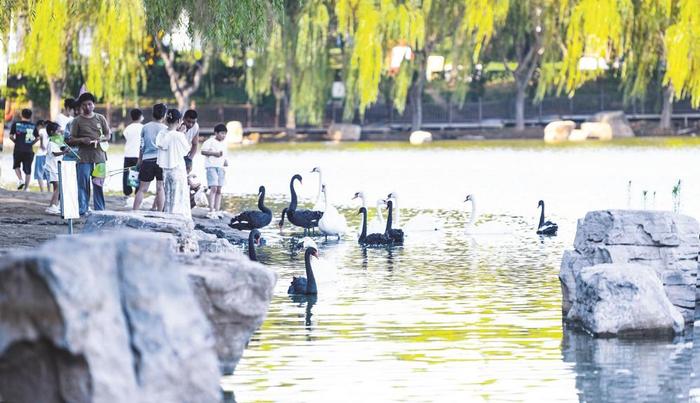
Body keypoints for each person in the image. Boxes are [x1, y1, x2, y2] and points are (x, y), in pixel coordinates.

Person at [67, 92, 111, 215]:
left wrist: (101, 139)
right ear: (80, 106)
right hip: (83, 158)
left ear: (94, 105)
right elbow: (70, 140)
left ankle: (100, 211)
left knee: (98, 185)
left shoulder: (100, 118)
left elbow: (108, 135)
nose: (87, 107)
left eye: (90, 104)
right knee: (83, 185)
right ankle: (82, 209)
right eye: (84, 105)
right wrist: (81, 140)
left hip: (99, 157)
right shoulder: (76, 121)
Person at [156, 109, 191, 218]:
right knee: (179, 196)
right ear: (179, 121)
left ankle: (168, 216)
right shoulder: (178, 135)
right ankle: (179, 217)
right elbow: (187, 150)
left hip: (166, 170)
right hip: (177, 168)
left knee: (169, 195)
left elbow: (160, 145)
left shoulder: (162, 133)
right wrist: (182, 134)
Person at [133, 103, 167, 211]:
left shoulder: (145, 127)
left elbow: (141, 146)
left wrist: (139, 159)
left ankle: (135, 211)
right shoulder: (166, 129)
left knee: (142, 189)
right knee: (160, 188)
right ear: (164, 115)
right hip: (161, 161)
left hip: (147, 160)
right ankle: (160, 213)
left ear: (153, 113)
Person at [201, 123, 228, 219]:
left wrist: (225, 161)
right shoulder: (210, 141)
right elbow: (203, 151)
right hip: (211, 166)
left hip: (220, 167)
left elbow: (224, 155)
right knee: (214, 188)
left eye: (225, 133)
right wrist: (214, 153)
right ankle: (211, 209)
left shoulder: (224, 143)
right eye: (221, 133)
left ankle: (217, 209)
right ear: (216, 133)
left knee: (219, 189)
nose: (223, 135)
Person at [9, 108, 37, 191]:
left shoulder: (16, 124)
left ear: (21, 115)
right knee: (28, 169)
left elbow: (11, 136)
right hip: (28, 150)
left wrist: (16, 142)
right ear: (30, 116)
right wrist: (31, 143)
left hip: (18, 149)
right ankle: (26, 188)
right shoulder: (33, 126)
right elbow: (38, 137)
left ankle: (20, 180)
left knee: (16, 166)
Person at [43, 121, 67, 215]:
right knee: (58, 187)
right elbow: (54, 153)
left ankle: (54, 205)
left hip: (55, 168)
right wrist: (64, 152)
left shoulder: (57, 142)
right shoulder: (51, 142)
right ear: (52, 132)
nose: (60, 133)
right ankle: (52, 206)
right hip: (51, 168)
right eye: (58, 131)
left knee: (57, 187)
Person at [122, 108, 143, 196]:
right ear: (140, 117)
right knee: (138, 173)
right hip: (138, 154)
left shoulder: (128, 128)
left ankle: (127, 191)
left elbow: (126, 137)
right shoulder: (143, 127)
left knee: (126, 173)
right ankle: (137, 190)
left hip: (128, 154)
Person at [33, 120, 49, 192]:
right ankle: (49, 190)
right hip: (48, 155)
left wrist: (41, 144)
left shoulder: (41, 130)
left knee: (39, 173)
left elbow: (40, 138)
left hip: (40, 154)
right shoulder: (51, 131)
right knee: (48, 173)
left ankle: (42, 191)